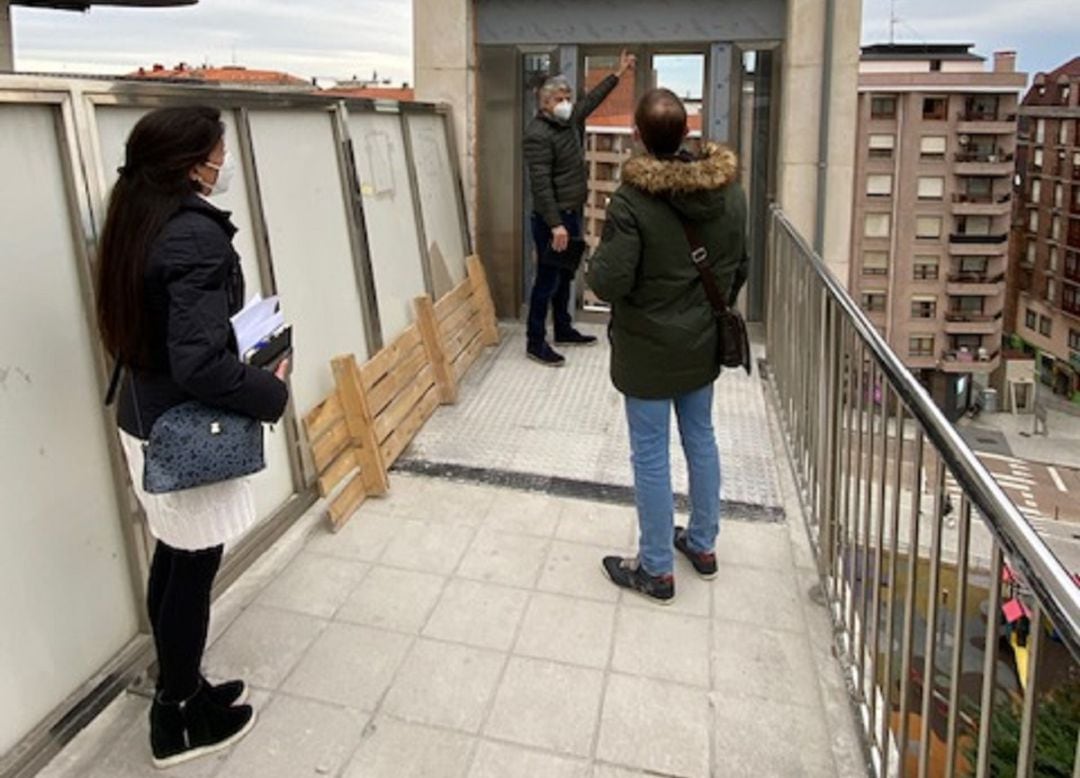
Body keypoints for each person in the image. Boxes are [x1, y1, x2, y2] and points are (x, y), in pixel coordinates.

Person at [95, 106, 290, 767]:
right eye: (218, 152)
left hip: (147, 418)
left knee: (174, 558)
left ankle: (179, 681)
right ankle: (177, 716)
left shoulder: (137, 218)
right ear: (190, 164)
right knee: (193, 565)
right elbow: (200, 363)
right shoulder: (192, 237)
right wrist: (271, 388)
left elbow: (171, 335)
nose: (223, 162)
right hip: (185, 431)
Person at [587, 89, 749, 603]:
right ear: (687, 133)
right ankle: (702, 544)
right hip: (701, 344)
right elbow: (739, 266)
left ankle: (656, 569)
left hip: (647, 350)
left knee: (651, 453)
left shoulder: (633, 200)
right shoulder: (730, 191)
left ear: (637, 136)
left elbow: (607, 283)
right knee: (701, 438)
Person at [523, 50, 637, 366]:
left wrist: (619, 72)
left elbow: (593, 100)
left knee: (564, 275)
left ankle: (562, 328)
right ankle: (535, 342)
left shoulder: (569, 120)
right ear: (545, 103)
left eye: (568, 96)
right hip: (552, 220)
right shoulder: (537, 135)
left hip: (571, 213)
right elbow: (541, 185)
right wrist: (556, 224)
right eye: (560, 98)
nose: (566, 102)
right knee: (546, 280)